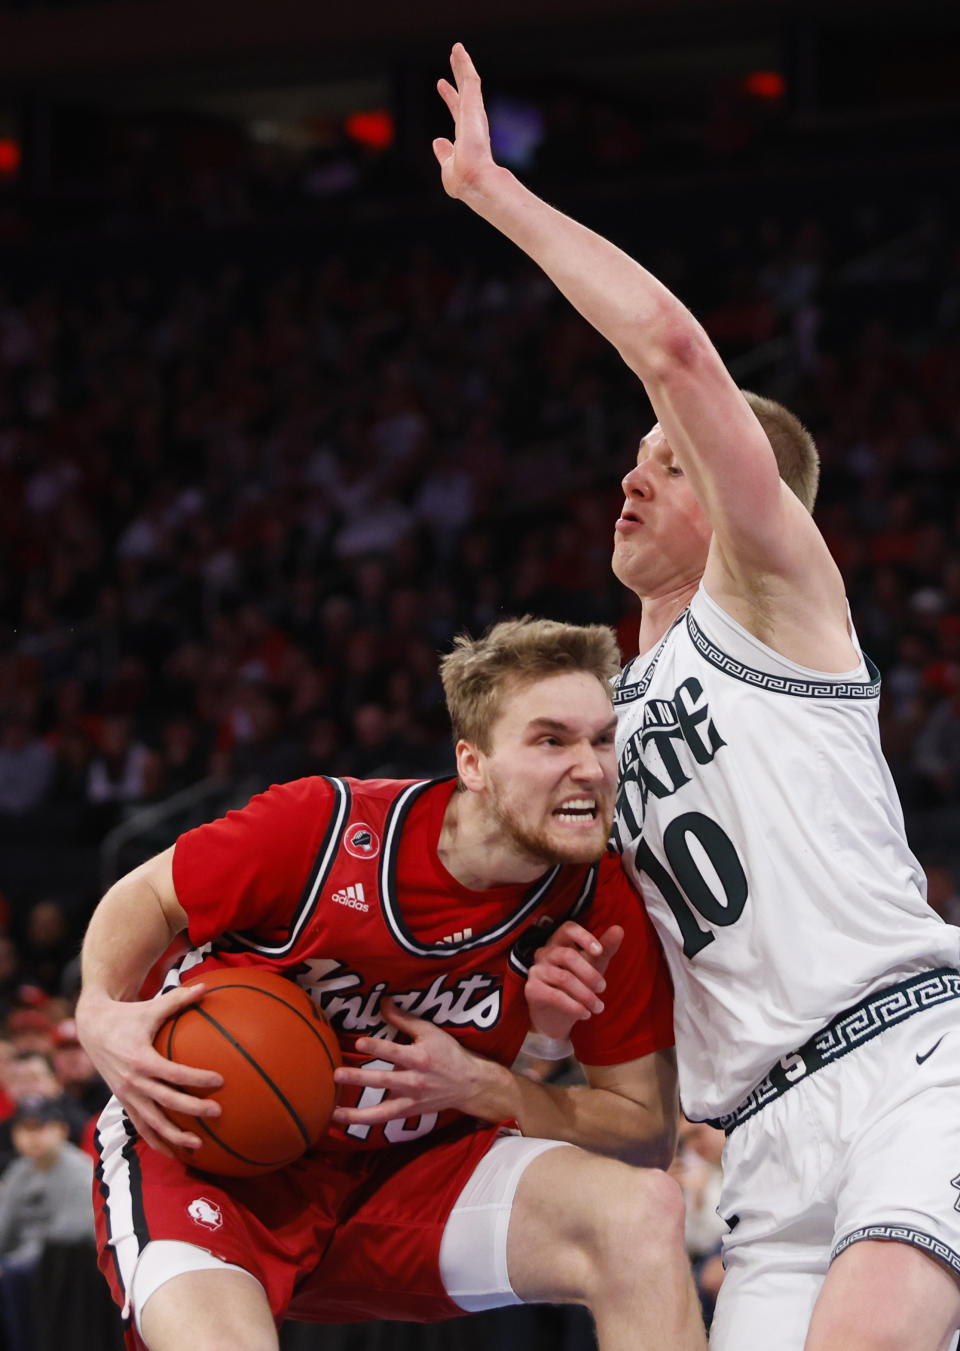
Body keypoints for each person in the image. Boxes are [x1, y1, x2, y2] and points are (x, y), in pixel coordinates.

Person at [433, 44, 960, 1351]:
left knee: (873, 1332)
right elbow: (636, 1051)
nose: (632, 476)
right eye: (630, 457)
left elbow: (668, 340)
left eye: (666, 461)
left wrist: (496, 191)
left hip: (911, 1060)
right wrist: (541, 1041)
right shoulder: (602, 726)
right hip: (762, 1145)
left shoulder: (776, 601)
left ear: (736, 498)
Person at [76, 616, 707, 1351]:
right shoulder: (322, 826)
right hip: (209, 1158)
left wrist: (493, 1085)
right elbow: (150, 895)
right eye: (551, 740)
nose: (593, 768)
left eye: (602, 739)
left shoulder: (600, 904)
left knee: (640, 1212)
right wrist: (98, 1007)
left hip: (410, 1177)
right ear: (473, 764)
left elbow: (646, 1135)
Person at [0, 1095, 96, 1351]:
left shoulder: (79, 1170)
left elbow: (69, 1233)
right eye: (24, 1129)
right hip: (23, 1261)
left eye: (40, 1128)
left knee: (15, 1275)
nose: (32, 1137)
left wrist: (11, 1263)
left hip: (67, 1266)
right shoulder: (19, 1171)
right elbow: (4, 1226)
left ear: (61, 1130)